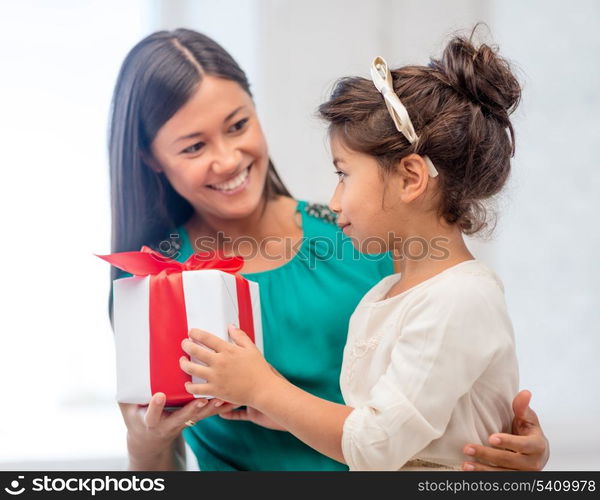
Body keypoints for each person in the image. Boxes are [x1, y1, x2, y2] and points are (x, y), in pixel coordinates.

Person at [108, 28, 549, 471]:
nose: (227, 159)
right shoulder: (155, 287)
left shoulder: (370, 235)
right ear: (151, 157)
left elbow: (448, 390)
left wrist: (512, 453)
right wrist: (143, 445)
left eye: (238, 125)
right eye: (194, 146)